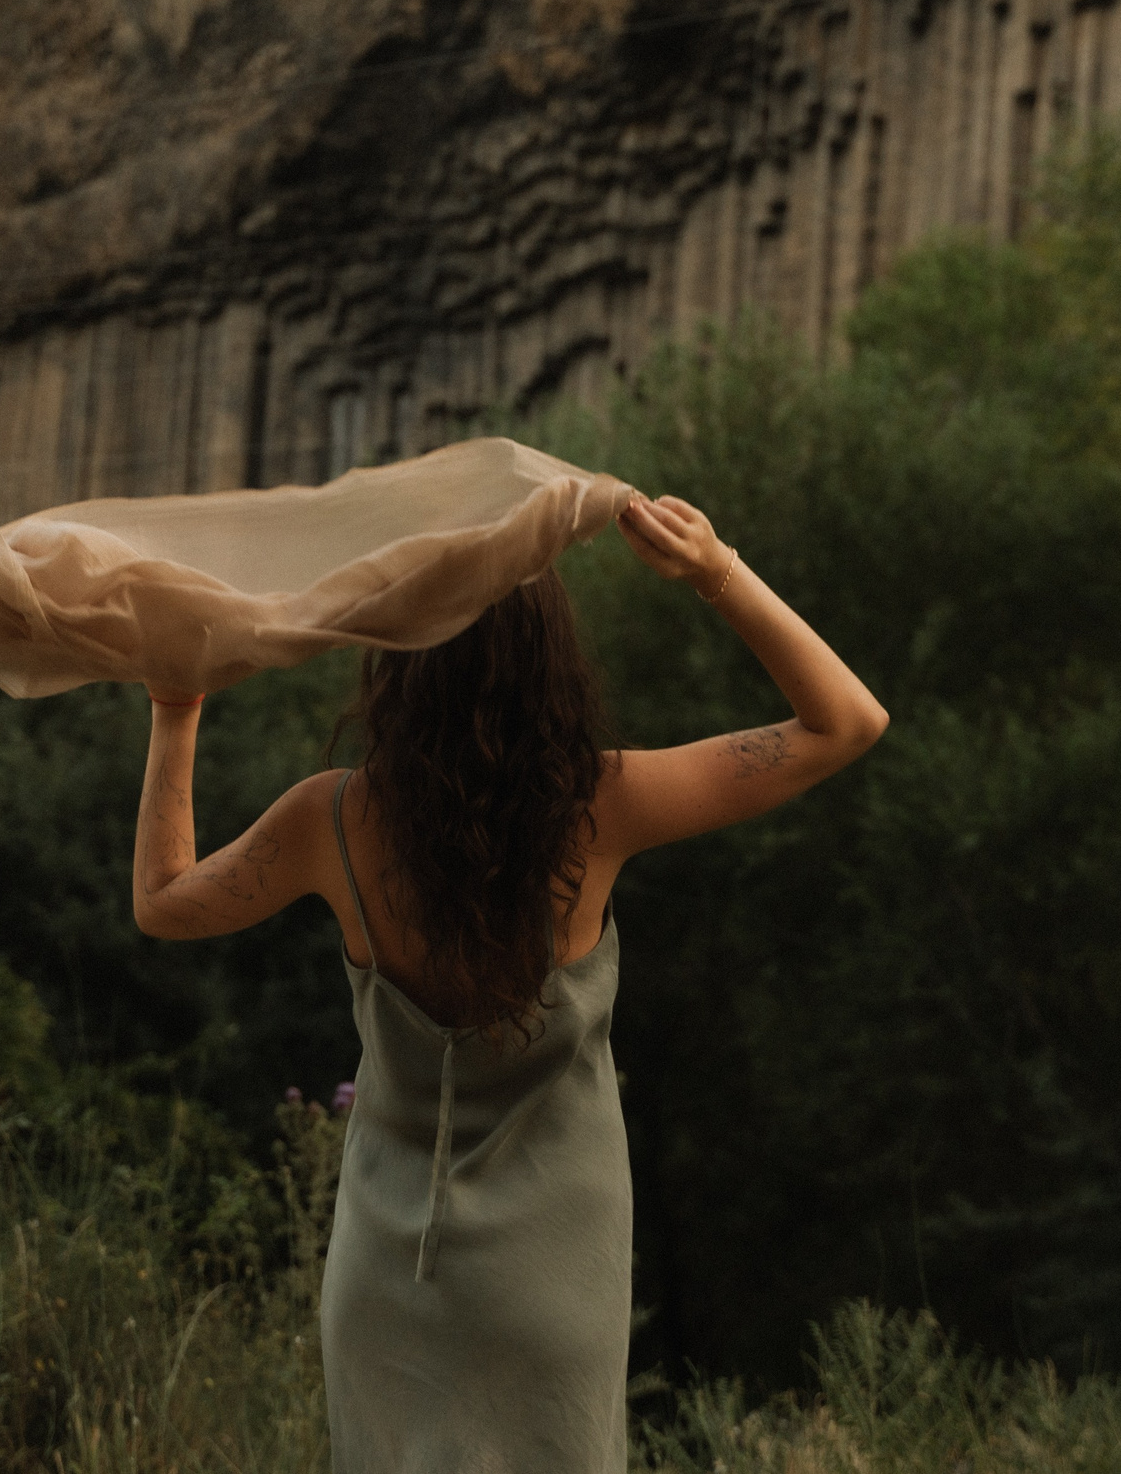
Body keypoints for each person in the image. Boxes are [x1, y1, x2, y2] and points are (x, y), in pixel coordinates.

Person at [130, 492, 889, 1472]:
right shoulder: (602, 806)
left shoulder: (332, 819)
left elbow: (162, 899)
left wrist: (176, 705)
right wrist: (714, 568)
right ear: (547, 663)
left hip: (388, 1275)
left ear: (397, 658)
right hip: (551, 1279)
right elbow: (847, 722)